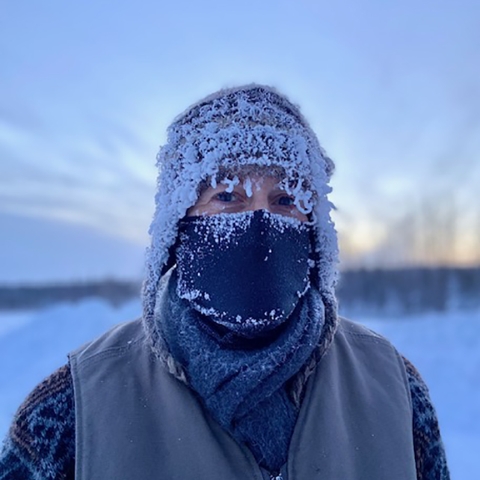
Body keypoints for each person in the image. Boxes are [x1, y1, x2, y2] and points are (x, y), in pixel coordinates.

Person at [0, 84, 450, 479]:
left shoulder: (393, 386)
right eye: (227, 195)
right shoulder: (72, 412)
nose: (259, 223)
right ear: (178, 228)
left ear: (316, 234)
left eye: (286, 198)